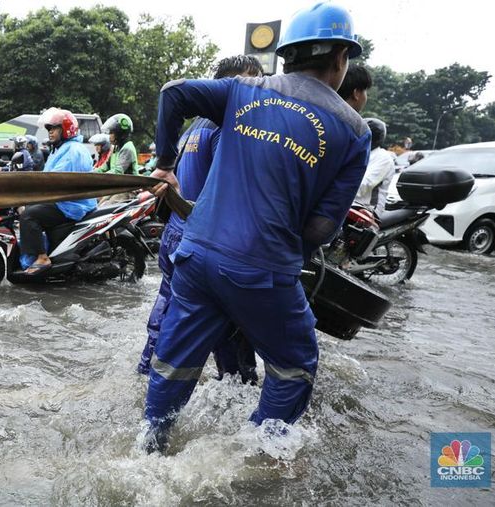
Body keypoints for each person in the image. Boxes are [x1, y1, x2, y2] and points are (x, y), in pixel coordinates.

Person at [143, 2, 371, 452]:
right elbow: (324, 227)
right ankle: (247, 456)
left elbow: (173, 92)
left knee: (174, 360)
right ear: (341, 59)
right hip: (263, 270)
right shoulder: (354, 131)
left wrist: (164, 165)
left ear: (288, 54)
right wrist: (287, 257)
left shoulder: (243, 90)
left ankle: (150, 443)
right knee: (295, 365)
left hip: (195, 255)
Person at [138, 55, 265, 383]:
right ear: (228, 85)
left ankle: (146, 374)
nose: (261, 92)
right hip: (209, 239)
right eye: (252, 83)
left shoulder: (192, 128)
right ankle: (238, 394)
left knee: (169, 311)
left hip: (177, 235)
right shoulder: (230, 126)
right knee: (230, 327)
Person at [17, 108, 95, 276]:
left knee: (29, 215)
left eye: (54, 128)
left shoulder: (73, 150)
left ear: (66, 129)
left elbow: (57, 180)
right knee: (28, 208)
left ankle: (43, 257)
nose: (50, 132)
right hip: (63, 200)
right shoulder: (60, 148)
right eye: (49, 129)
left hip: (71, 204)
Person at [354, 118, 395, 215]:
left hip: (368, 210)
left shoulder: (383, 158)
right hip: (349, 204)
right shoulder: (358, 152)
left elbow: (364, 185)